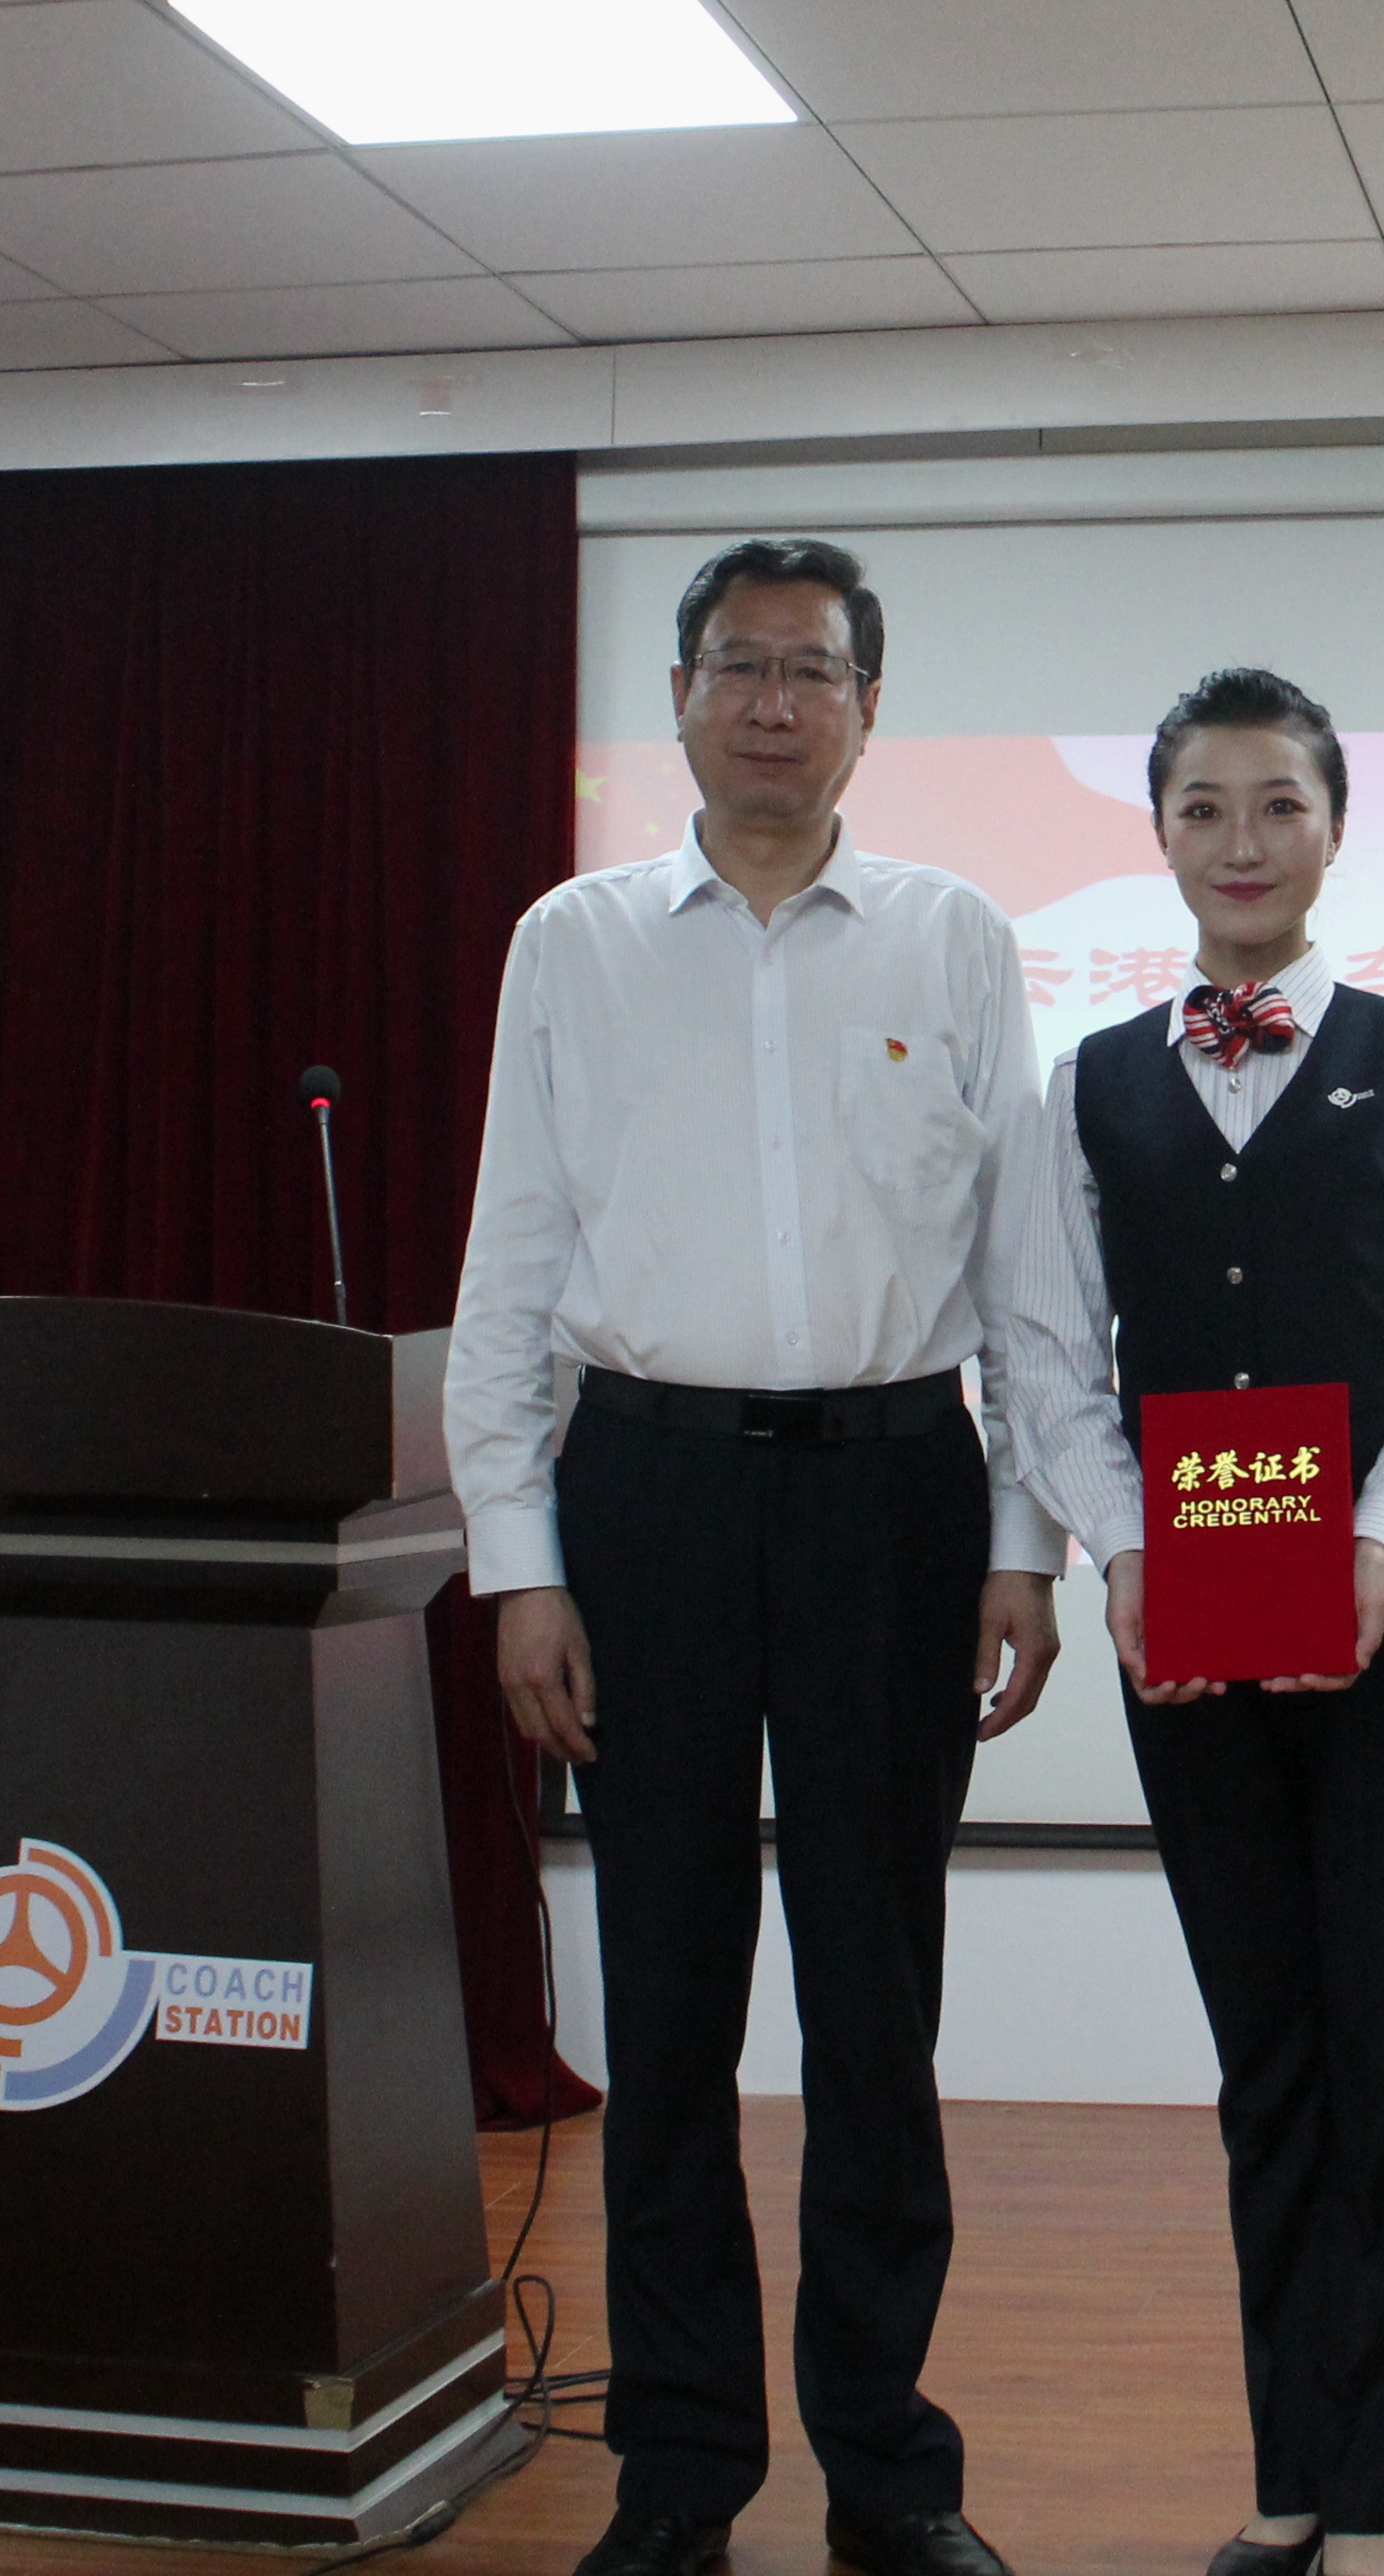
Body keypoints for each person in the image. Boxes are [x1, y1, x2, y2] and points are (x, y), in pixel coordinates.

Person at [447, 537, 1063, 2576]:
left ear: (871, 709)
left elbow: (1023, 1268)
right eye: (740, 665)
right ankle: (681, 2473)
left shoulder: (954, 939)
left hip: (898, 1497)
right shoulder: (576, 942)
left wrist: (1025, 1535)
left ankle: (891, 2473)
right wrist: (520, 1559)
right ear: (682, 698)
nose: (775, 703)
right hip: (650, 1501)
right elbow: (512, 1262)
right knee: (671, 2004)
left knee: (878, 2013)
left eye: (814, 669)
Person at [1002, 669, 1384, 2576]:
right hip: (1186, 1625)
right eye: (1204, 808)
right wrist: (1121, 1544)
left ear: (1333, 829)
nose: (1241, 843)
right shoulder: (1089, 1084)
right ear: (1159, 834)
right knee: (1266, 2056)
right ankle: (1291, 2478)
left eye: (1278, 806)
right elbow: (1048, 1357)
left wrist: (1383, 1536)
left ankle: (1376, 2500)